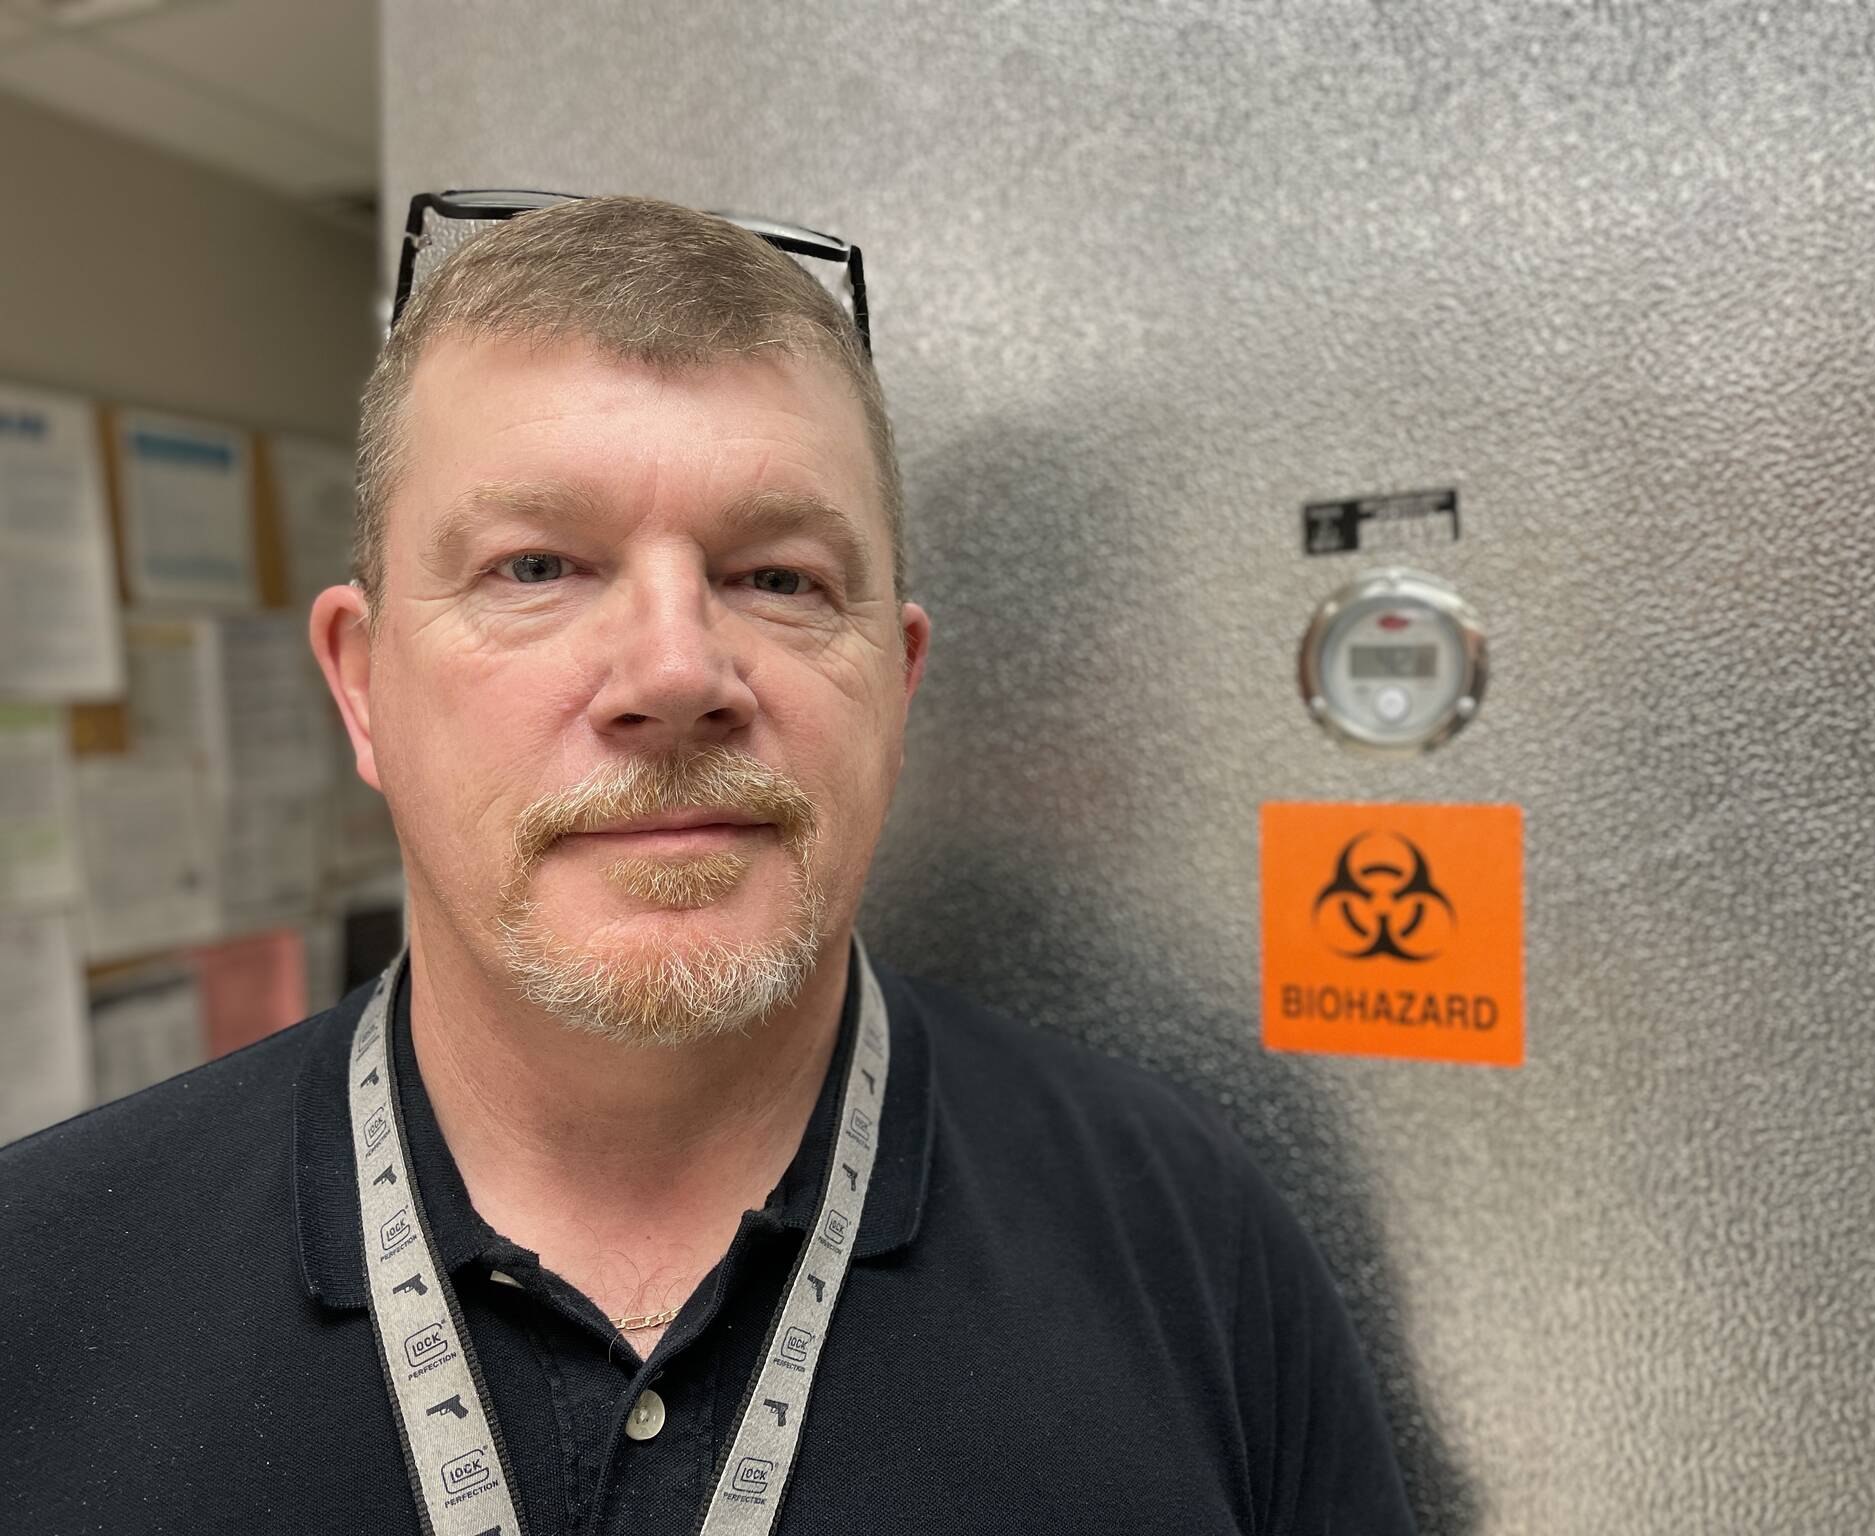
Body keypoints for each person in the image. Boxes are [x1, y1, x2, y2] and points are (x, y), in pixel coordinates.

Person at [0, 195, 1416, 1535]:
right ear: (364, 689)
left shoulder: (1194, 1247)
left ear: (898, 684)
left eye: (780, 577)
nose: (675, 673)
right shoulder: (38, 1284)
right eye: (537, 567)